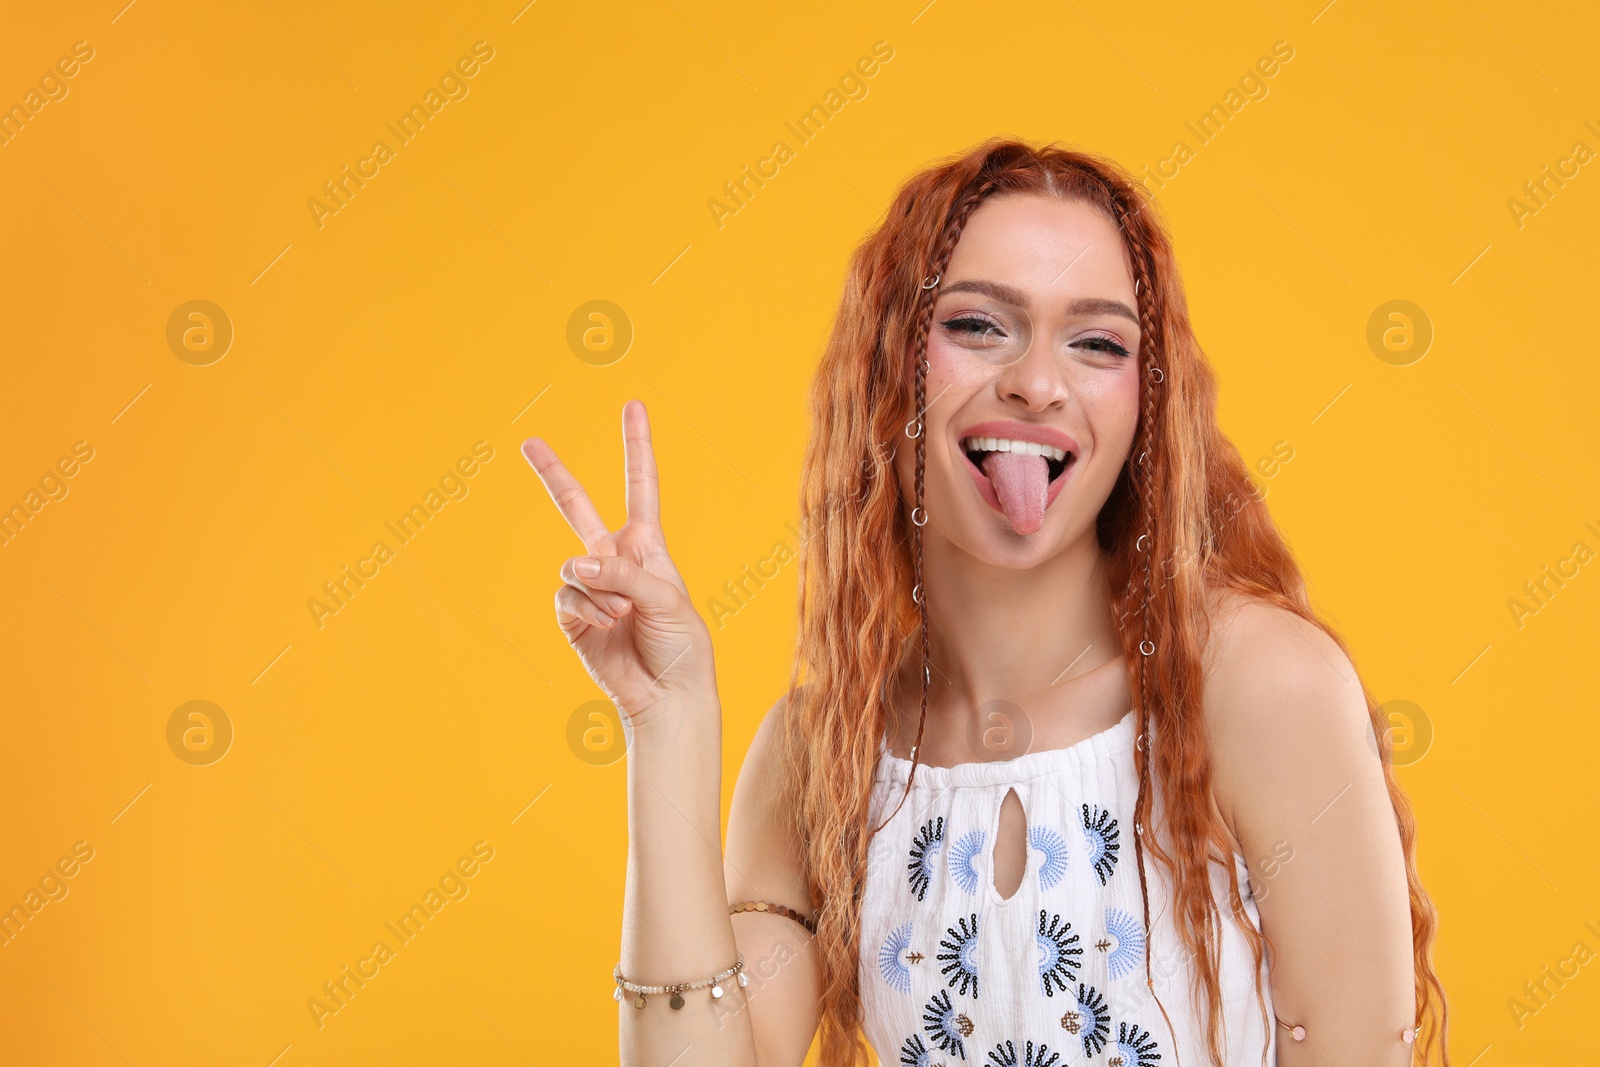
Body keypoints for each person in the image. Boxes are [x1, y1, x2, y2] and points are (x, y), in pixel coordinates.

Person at [521, 138, 1451, 1067]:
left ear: (1147, 402)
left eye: (1096, 343)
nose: (1038, 383)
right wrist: (667, 720)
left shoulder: (1260, 686)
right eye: (977, 326)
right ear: (892, 367)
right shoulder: (824, 751)